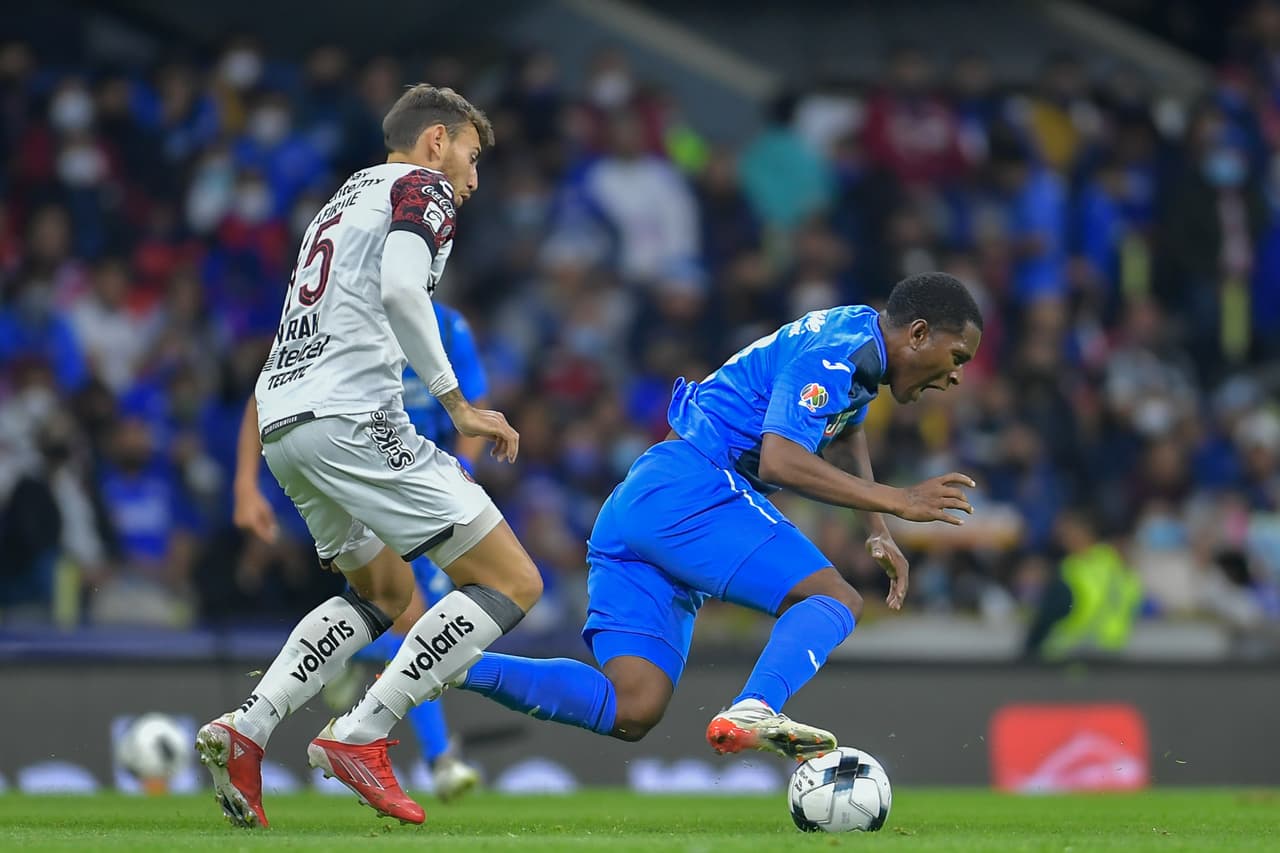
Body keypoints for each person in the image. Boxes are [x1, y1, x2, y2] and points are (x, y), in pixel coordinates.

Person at [195, 84, 543, 829]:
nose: (474, 180)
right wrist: (457, 405)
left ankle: (249, 726)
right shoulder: (424, 188)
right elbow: (399, 292)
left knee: (383, 591)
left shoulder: (341, 199)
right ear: (436, 141)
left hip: (286, 420)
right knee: (513, 580)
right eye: (472, 157)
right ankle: (362, 731)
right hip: (354, 416)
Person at [452, 272, 982, 758]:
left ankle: (446, 664)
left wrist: (876, 531)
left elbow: (843, 430)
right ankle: (756, 706)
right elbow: (781, 458)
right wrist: (899, 499)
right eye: (957, 356)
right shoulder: (837, 352)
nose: (957, 376)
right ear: (917, 334)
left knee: (633, 706)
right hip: (694, 488)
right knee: (835, 597)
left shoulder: (858, 345)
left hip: (646, 500)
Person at [231, 302, 490, 802]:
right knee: (413, 619)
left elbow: (474, 405)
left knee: (422, 621)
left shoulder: (449, 326)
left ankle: (351, 661)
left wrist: (462, 473)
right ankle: (438, 760)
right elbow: (266, 393)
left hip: (423, 482)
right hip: (358, 474)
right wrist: (245, 484)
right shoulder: (345, 312)